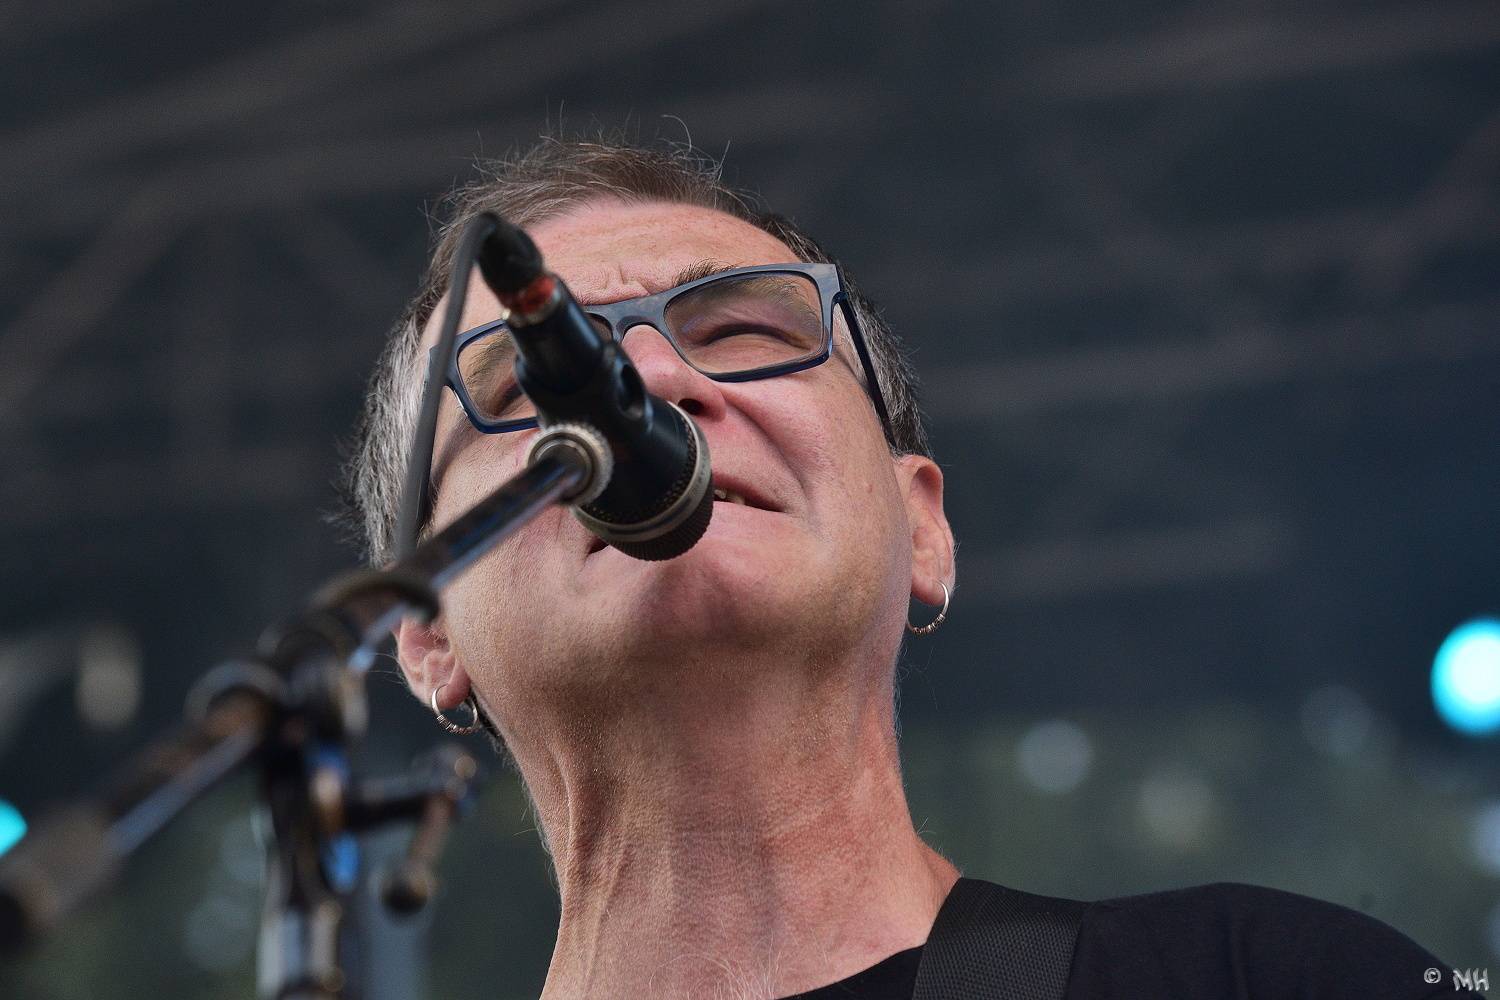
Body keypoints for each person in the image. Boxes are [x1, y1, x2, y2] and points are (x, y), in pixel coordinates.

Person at [343, 137, 1457, 999]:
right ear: (427, 632)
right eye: (532, 377)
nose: (646, 381)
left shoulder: (1271, 978)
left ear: (922, 527)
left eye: (741, 329)